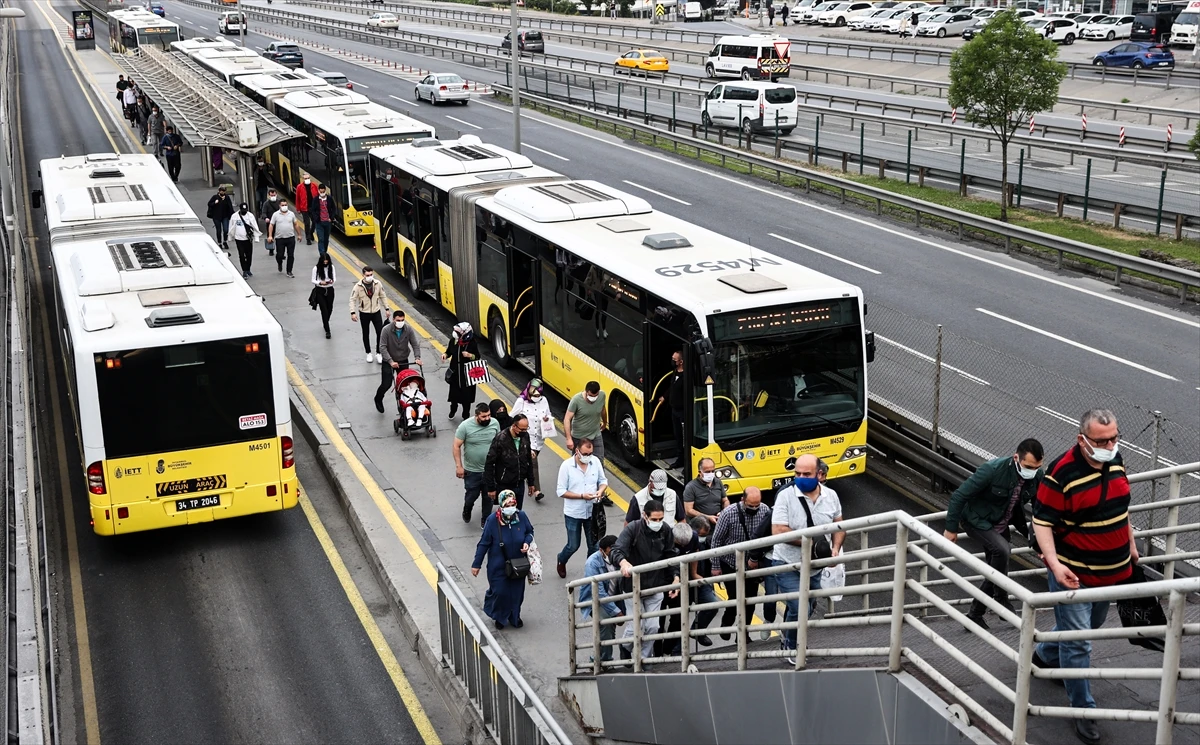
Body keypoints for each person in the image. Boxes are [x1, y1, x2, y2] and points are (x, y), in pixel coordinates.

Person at [1031, 409, 1134, 745]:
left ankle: (1045, 653)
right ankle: (1083, 711)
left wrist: (1131, 544)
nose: (1110, 445)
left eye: (1114, 437)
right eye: (1102, 441)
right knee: (1079, 642)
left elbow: (1121, 506)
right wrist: (1055, 564)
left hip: (1112, 571)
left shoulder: (1116, 460)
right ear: (1082, 439)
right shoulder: (1061, 473)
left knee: (1091, 624)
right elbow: (1042, 522)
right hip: (1074, 573)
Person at [944, 439, 1044, 630]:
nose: (1034, 470)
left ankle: (984, 609)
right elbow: (959, 496)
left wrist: (1039, 543)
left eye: (1038, 467)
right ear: (1016, 458)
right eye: (1029, 466)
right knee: (1002, 551)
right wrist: (951, 529)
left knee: (997, 564)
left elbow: (1040, 510)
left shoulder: (1037, 475)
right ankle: (992, 605)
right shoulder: (992, 470)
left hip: (1001, 521)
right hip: (977, 520)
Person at [770, 454, 844, 662]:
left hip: (814, 567)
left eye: (806, 474)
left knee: (808, 607)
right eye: (797, 473)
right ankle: (792, 646)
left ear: (819, 474)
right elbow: (778, 530)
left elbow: (839, 525)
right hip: (787, 563)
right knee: (800, 607)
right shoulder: (785, 496)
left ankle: (788, 632)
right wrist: (809, 543)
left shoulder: (831, 496)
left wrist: (835, 548)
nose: (800, 477)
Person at [611, 500, 681, 662]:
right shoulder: (633, 529)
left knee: (653, 626)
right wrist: (623, 562)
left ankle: (644, 659)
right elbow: (617, 549)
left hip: (655, 585)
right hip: (632, 586)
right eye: (654, 519)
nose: (658, 523)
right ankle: (626, 646)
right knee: (636, 626)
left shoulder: (665, 530)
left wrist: (676, 577)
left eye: (660, 519)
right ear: (645, 516)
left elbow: (671, 555)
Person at [710, 487, 773, 643]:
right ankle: (727, 621)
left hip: (753, 564)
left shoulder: (764, 511)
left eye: (757, 505)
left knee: (750, 600)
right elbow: (716, 541)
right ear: (742, 500)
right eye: (750, 505)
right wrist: (715, 566)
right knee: (735, 597)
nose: (754, 509)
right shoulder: (728, 514)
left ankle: (743, 634)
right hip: (730, 563)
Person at [471, 491, 534, 630]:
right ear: (501, 505)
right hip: (497, 566)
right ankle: (499, 616)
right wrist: (476, 564)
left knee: (517, 593)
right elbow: (484, 543)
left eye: (513, 504)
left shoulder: (521, 516)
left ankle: (514, 616)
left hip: (518, 564)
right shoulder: (492, 520)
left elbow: (530, 532)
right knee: (500, 592)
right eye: (508, 504)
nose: (511, 507)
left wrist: (526, 542)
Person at [556, 438, 609, 579]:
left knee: (593, 545)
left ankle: (590, 572)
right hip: (574, 513)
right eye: (585, 454)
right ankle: (561, 559)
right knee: (573, 545)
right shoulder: (566, 466)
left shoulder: (595, 462)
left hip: (592, 512)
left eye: (590, 453)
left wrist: (600, 491)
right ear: (577, 451)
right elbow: (561, 491)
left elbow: (603, 481)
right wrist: (581, 496)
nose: (588, 457)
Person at [579, 534, 623, 664]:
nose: (613, 554)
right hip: (596, 599)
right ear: (602, 550)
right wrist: (616, 611)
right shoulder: (592, 563)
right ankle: (604, 660)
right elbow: (599, 593)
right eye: (610, 551)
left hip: (615, 596)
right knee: (606, 624)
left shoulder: (620, 556)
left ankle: (600, 656)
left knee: (610, 628)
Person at [455, 403, 500, 526]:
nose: (487, 419)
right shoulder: (465, 426)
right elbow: (456, 446)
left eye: (489, 415)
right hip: (472, 471)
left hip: (490, 470)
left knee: (489, 497)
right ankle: (467, 509)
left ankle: (485, 520)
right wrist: (459, 466)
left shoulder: (495, 423)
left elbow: (499, 443)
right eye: (484, 416)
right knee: (471, 495)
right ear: (477, 416)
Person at [511, 378, 554, 503]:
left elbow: (548, 413)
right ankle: (537, 491)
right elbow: (512, 416)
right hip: (526, 439)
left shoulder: (544, 400)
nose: (537, 397)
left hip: (539, 438)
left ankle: (526, 476)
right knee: (533, 463)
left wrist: (546, 418)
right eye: (534, 395)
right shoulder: (521, 402)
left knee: (528, 463)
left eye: (538, 395)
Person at [484, 414, 536, 511]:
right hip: (505, 484)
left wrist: (531, 482)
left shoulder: (525, 437)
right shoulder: (500, 439)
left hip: (520, 483)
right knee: (507, 511)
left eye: (526, 429)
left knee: (518, 511)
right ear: (514, 426)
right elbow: (489, 463)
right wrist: (491, 488)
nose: (524, 432)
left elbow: (528, 459)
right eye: (522, 429)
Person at [375, 309, 422, 413]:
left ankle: (402, 405)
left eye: (402, 320)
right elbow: (382, 347)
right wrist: (391, 361)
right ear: (393, 320)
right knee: (386, 384)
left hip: (403, 360)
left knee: (404, 385)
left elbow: (415, 344)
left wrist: (417, 358)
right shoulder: (386, 330)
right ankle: (378, 398)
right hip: (389, 361)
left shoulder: (408, 329)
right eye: (398, 320)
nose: (400, 322)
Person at [348, 267, 388, 362]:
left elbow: (383, 296)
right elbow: (352, 300)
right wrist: (352, 312)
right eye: (367, 275)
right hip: (364, 313)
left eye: (371, 275)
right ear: (363, 275)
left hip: (376, 312)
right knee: (366, 333)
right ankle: (368, 353)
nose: (370, 277)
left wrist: (387, 308)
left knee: (380, 332)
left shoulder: (377, 284)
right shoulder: (358, 286)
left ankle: (379, 353)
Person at [564, 380, 608, 466]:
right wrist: (569, 439)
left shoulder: (602, 395)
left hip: (595, 434)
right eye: (591, 396)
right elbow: (567, 419)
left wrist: (605, 423)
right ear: (586, 391)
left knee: (599, 463)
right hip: (579, 437)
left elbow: (603, 409)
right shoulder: (576, 400)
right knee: (578, 463)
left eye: (595, 396)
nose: (593, 398)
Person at [442, 321, 480, 420]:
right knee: (453, 397)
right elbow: (449, 352)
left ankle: (466, 415)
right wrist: (445, 355)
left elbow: (477, 357)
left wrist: (469, 355)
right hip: (455, 374)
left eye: (458, 333)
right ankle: (453, 410)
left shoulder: (472, 343)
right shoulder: (453, 341)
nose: (455, 334)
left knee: (466, 398)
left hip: (467, 375)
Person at [660, 351, 688, 469]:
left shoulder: (686, 376)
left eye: (674, 359)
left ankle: (683, 461)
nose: (673, 361)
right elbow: (672, 387)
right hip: (674, 410)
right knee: (677, 436)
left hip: (682, 412)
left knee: (683, 438)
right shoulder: (675, 372)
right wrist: (664, 397)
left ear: (681, 362)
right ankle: (679, 458)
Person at [683, 458, 727, 526]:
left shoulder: (718, 482)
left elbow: (725, 501)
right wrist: (707, 517)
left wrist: (724, 512)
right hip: (700, 527)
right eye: (707, 472)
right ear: (700, 472)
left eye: (713, 471)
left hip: (718, 524)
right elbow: (689, 511)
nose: (711, 474)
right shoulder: (691, 487)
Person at [267, 198, 302, 277]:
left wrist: (299, 234)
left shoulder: (291, 214)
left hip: (290, 238)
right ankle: (279, 263)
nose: (284, 206)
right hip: (280, 239)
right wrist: (270, 236)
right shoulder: (275, 215)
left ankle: (289, 271)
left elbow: (296, 224)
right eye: (282, 205)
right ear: (279, 206)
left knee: (291, 255)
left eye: (285, 205)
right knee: (279, 255)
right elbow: (271, 225)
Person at [230, 202, 261, 278]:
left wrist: (256, 237)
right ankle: (244, 270)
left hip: (248, 239)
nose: (244, 211)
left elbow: (255, 226)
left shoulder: (250, 216)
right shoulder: (234, 216)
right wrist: (230, 237)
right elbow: (231, 227)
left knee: (249, 255)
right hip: (239, 239)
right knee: (241, 255)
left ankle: (248, 269)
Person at [311, 254, 336, 338]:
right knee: (324, 309)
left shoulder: (331, 267)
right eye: (324, 262)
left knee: (330, 308)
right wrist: (320, 282)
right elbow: (313, 280)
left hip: (329, 289)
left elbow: (334, 278)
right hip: (320, 290)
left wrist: (331, 281)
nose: (325, 263)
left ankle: (325, 321)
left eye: (327, 262)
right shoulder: (316, 268)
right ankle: (327, 330)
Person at [206, 186, 234, 252]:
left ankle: (225, 241)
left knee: (226, 230)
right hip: (216, 217)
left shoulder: (227, 198)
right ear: (219, 191)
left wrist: (232, 214)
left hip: (225, 216)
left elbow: (230, 206)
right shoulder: (215, 197)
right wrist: (215, 203)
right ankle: (219, 243)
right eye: (221, 190)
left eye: (224, 191)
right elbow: (209, 204)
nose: (222, 192)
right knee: (219, 230)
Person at [294, 174, 319, 245]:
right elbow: (297, 198)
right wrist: (298, 209)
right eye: (305, 178)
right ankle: (308, 238)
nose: (307, 179)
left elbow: (317, 196)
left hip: (313, 208)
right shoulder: (299, 187)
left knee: (314, 221)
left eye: (308, 178)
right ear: (302, 179)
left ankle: (311, 233)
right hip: (304, 208)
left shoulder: (314, 186)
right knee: (307, 223)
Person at [313, 184, 335, 256]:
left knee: (326, 239)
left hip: (327, 222)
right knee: (321, 239)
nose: (322, 192)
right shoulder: (315, 200)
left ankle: (324, 251)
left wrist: (331, 218)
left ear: (325, 190)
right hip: (319, 223)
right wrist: (316, 218)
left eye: (323, 191)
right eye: (320, 191)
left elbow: (333, 208)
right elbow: (313, 210)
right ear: (318, 191)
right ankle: (322, 253)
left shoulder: (329, 199)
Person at [260, 187, 281, 256]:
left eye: (274, 195)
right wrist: (265, 218)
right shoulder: (266, 204)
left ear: (276, 194)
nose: (273, 197)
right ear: (269, 195)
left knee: (279, 236)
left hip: (278, 222)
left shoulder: (279, 203)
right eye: (271, 195)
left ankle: (280, 250)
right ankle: (271, 249)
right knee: (270, 235)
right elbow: (263, 212)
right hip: (270, 223)